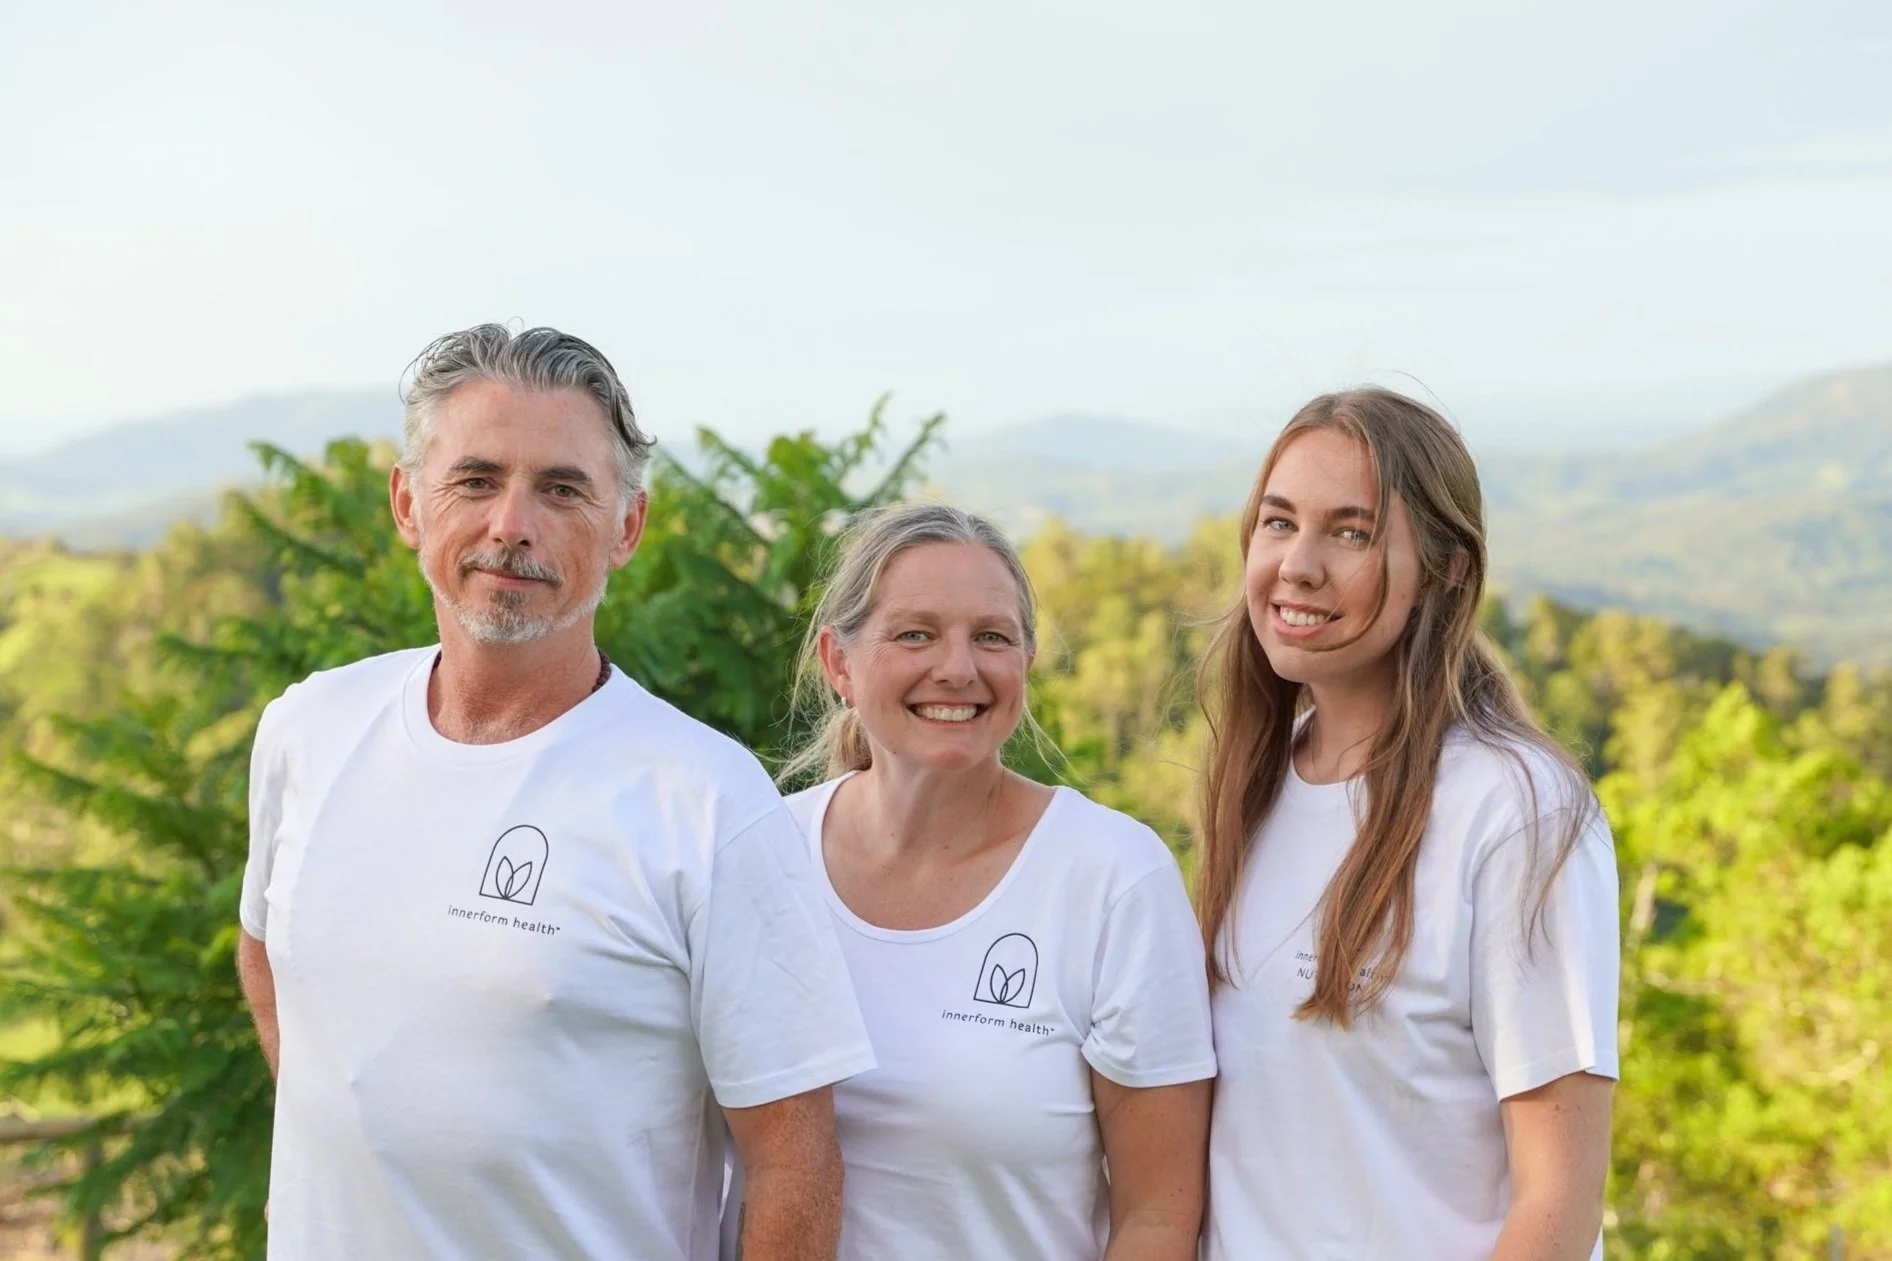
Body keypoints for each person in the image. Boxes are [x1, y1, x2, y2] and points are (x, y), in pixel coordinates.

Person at [236, 324, 874, 1260]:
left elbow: (795, 1159)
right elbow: (267, 956)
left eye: (563, 488)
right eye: (477, 479)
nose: (512, 525)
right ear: (409, 502)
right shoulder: (308, 729)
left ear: (627, 527)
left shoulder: (703, 799)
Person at [1196, 389, 1620, 1260]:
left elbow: (1557, 1201)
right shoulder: (1256, 779)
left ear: (1449, 566)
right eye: (1279, 522)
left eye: (1350, 532)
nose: (1298, 565)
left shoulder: (1515, 808)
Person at [745, 503, 1216, 1260]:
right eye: (916, 633)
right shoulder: (761, 854)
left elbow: (1158, 1214)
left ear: (1025, 662)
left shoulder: (1112, 879)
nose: (958, 668)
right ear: (840, 663)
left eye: (991, 636)